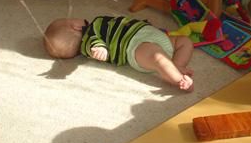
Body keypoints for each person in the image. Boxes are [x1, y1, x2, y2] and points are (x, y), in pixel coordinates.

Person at [43, 15, 194, 91]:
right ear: (75, 26)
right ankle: (179, 79)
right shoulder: (90, 35)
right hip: (134, 46)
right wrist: (99, 49)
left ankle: (177, 65)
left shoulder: (97, 25)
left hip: (148, 34)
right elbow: (94, 43)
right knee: (157, 59)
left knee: (184, 41)